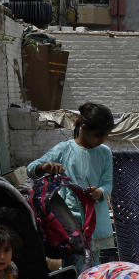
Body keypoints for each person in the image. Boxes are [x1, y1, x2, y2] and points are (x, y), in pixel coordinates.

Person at [27, 102, 116, 261]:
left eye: (106, 135)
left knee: (94, 269)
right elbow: (31, 169)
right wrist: (45, 167)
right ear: (83, 128)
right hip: (69, 221)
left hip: (96, 223)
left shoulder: (105, 153)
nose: (102, 139)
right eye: (98, 134)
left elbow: (108, 184)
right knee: (72, 265)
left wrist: (100, 192)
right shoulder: (64, 149)